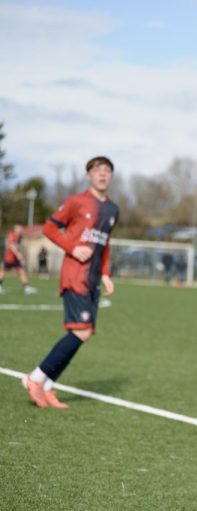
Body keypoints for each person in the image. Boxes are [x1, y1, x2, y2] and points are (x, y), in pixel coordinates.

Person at [22, 156, 119, 409]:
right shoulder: (77, 202)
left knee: (82, 334)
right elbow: (49, 228)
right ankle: (35, 378)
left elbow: (105, 243)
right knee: (81, 331)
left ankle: (47, 386)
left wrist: (105, 273)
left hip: (93, 279)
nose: (102, 174)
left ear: (111, 176)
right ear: (88, 175)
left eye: (107, 170)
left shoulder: (112, 209)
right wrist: (73, 248)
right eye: (97, 170)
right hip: (75, 275)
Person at [0, 223, 37, 295]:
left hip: (15, 258)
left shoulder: (19, 236)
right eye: (19, 228)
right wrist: (18, 254)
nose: (21, 229)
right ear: (16, 228)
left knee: (21, 271)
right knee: (3, 271)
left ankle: (26, 288)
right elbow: (11, 246)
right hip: (9, 257)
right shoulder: (12, 234)